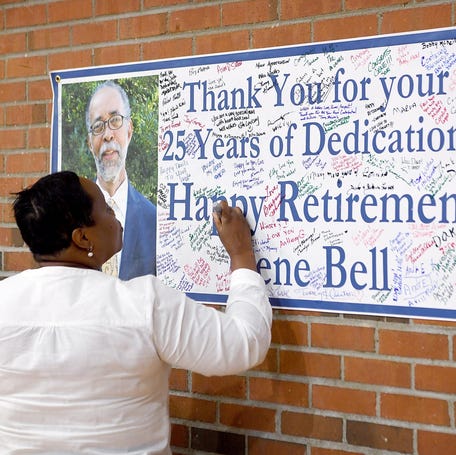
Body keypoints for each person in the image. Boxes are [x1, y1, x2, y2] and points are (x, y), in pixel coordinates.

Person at [0, 170, 272, 453]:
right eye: (106, 208)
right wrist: (241, 254)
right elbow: (244, 343)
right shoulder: (143, 305)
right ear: (82, 238)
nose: (115, 214)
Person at [86, 80, 156, 279]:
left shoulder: (155, 221)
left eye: (115, 120)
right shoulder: (71, 217)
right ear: (90, 143)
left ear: (129, 130)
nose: (108, 135)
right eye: (98, 126)